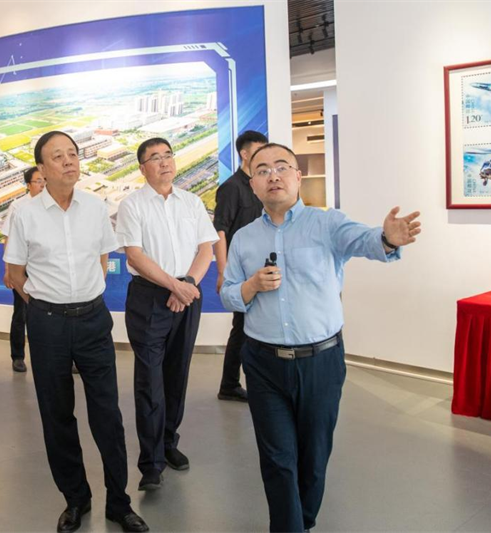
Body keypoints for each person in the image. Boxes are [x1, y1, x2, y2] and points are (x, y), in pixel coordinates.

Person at [220, 143, 421, 533]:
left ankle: (304, 521)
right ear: (252, 184)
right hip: (263, 363)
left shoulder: (327, 224)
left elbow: (365, 240)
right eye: (262, 170)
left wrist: (388, 239)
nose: (273, 176)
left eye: (282, 167)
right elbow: (228, 294)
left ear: (298, 177)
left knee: (313, 457)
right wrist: (250, 286)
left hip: (321, 362)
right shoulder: (243, 238)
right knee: (277, 459)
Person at [5, 131, 148, 533]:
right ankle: (76, 499)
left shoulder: (95, 207)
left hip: (92, 321)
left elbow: (102, 259)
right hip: (47, 324)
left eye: (73, 153)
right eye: (58, 156)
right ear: (41, 168)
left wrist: (84, 296)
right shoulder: (24, 213)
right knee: (57, 416)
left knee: (108, 414)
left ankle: (119, 503)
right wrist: (47, 303)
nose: (69, 161)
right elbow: (15, 273)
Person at [116, 138, 218, 490]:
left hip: (187, 293)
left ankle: (169, 442)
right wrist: (174, 286)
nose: (164, 162)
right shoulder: (132, 205)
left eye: (168, 156)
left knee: (177, 373)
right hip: (150, 298)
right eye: (155, 158)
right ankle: (151, 463)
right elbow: (134, 255)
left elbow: (206, 249)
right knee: (150, 380)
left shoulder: (191, 202)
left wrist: (186, 284)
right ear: (142, 168)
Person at [213, 130, 267, 403]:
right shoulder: (232, 188)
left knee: (254, 327)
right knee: (242, 328)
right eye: (258, 152)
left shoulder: (261, 185)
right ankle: (230, 384)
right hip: (242, 272)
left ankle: (241, 383)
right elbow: (220, 232)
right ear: (245, 154)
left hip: (264, 269)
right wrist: (223, 273)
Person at [1, 166, 45, 373]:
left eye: (44, 180)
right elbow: (8, 238)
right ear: (28, 185)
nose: (42, 185)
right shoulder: (18, 206)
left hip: (45, 269)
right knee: (21, 314)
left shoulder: (52, 204)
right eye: (38, 181)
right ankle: (17, 356)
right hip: (23, 270)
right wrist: (9, 271)